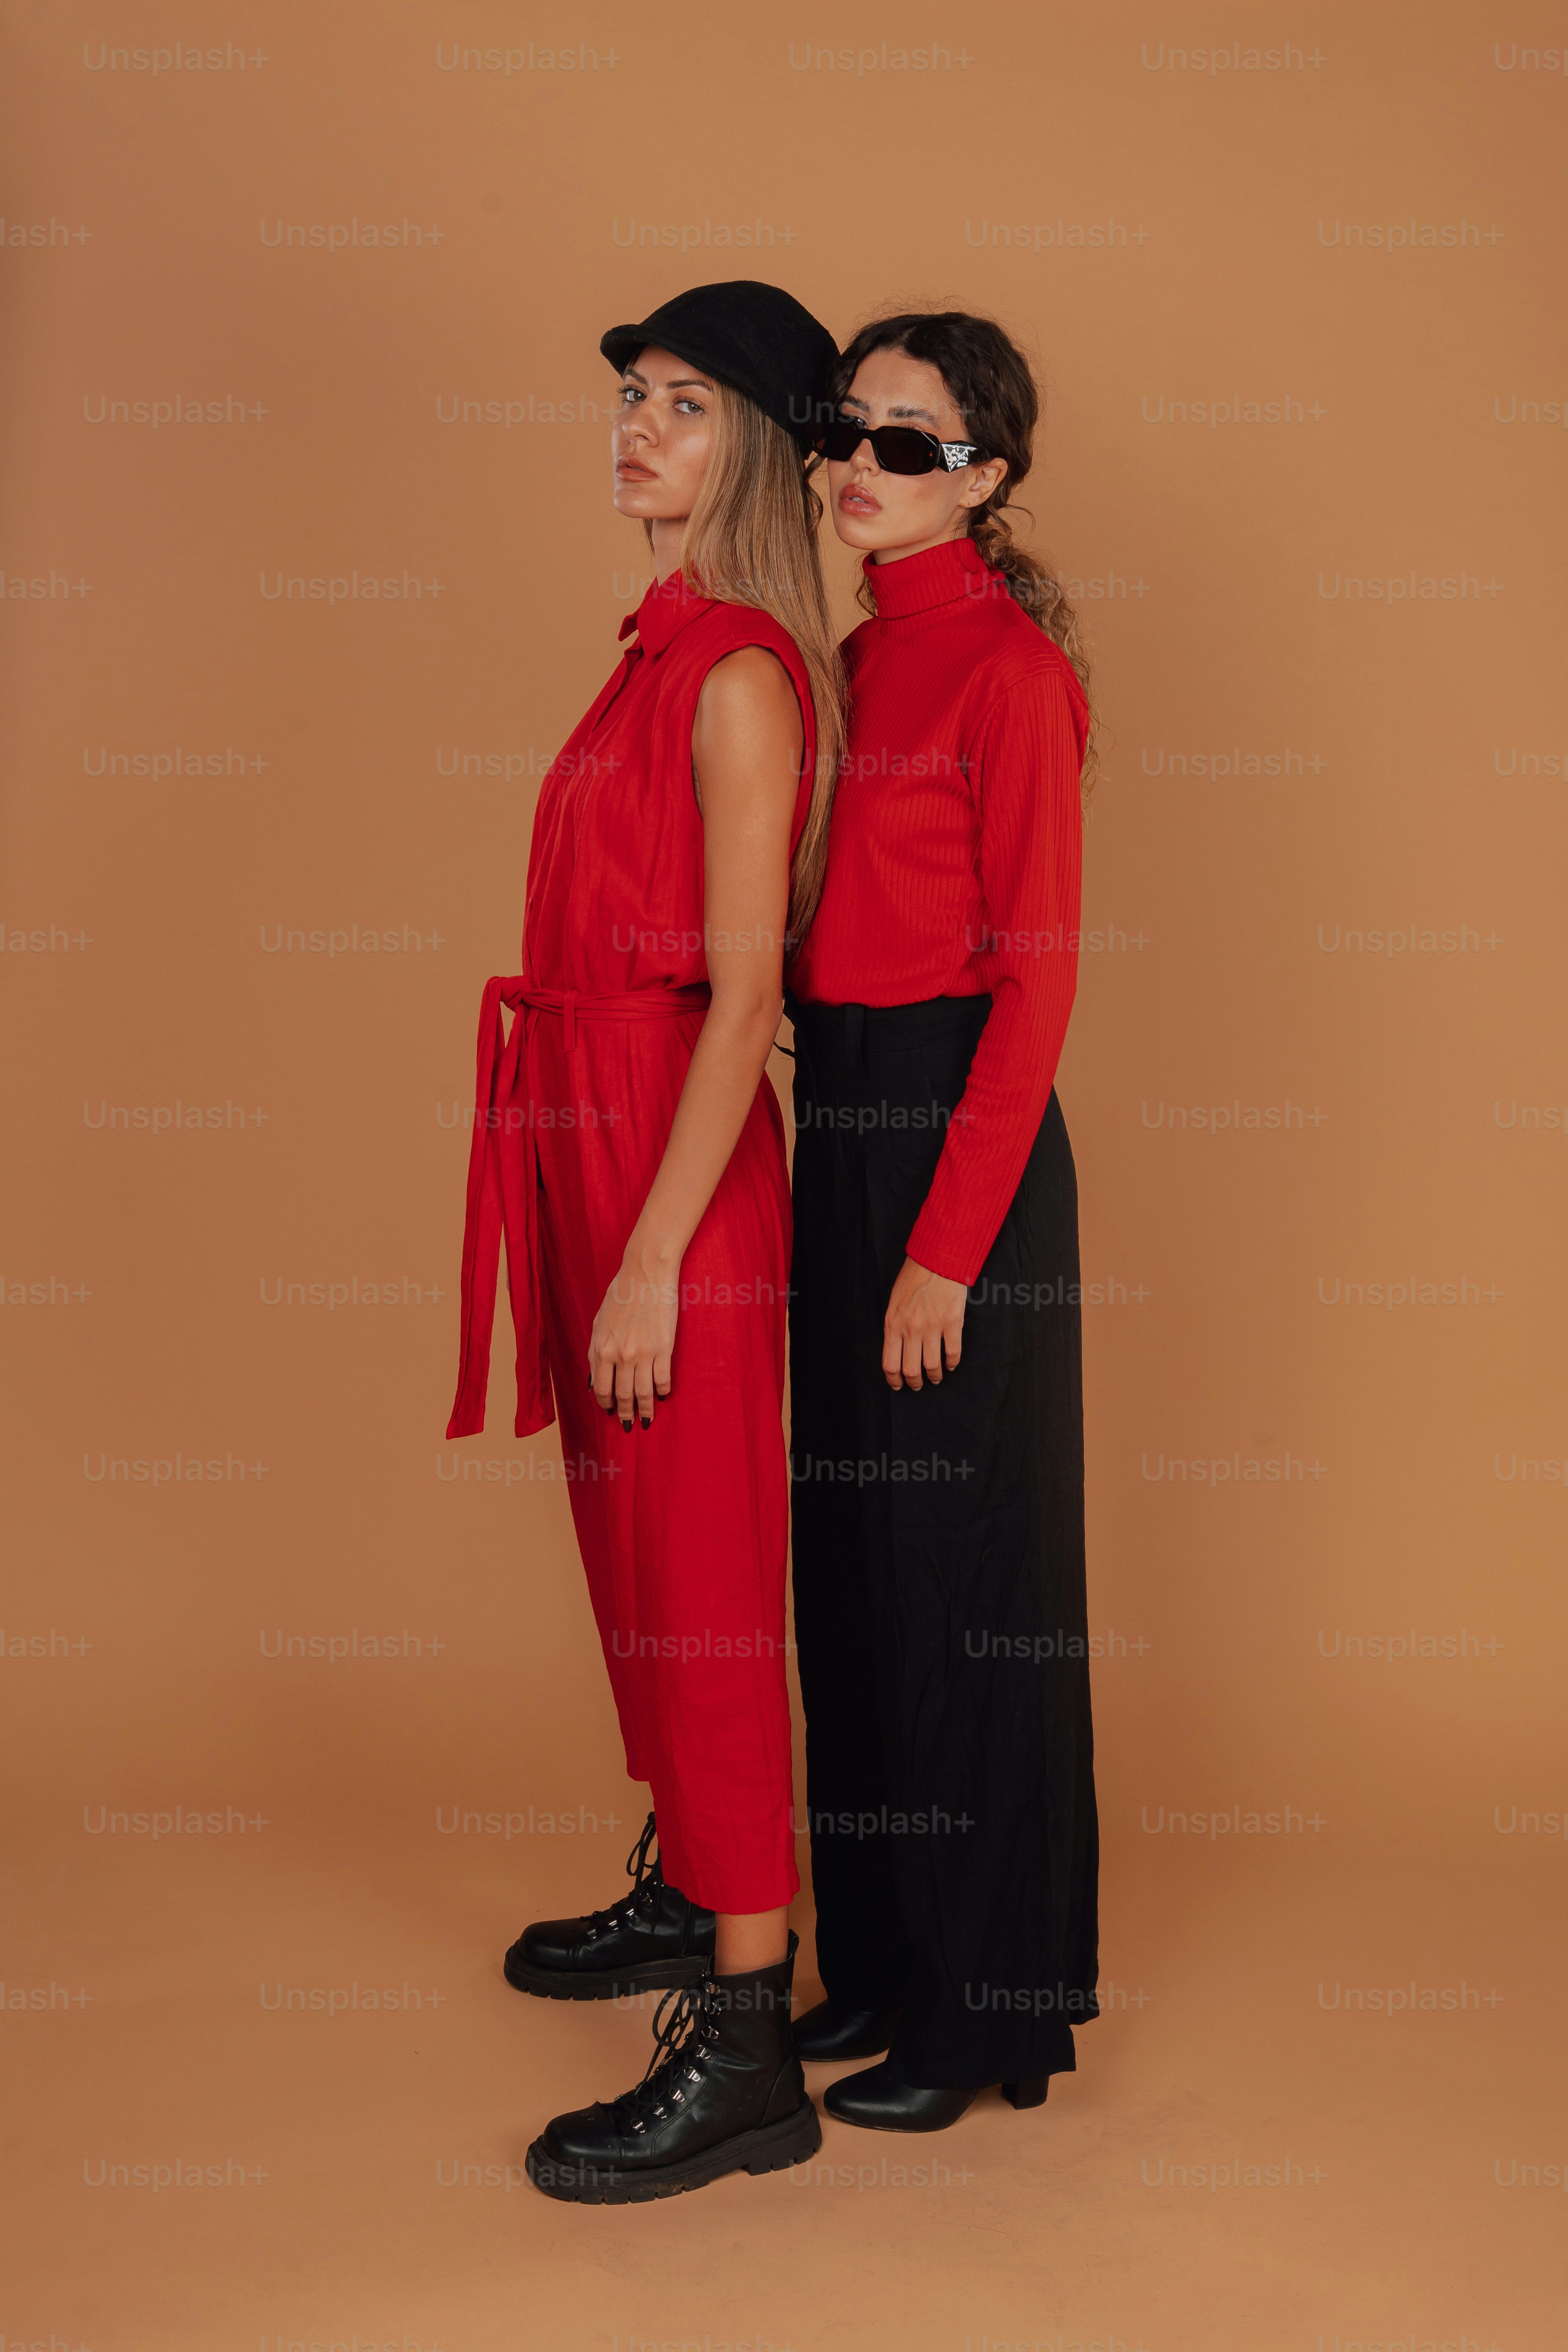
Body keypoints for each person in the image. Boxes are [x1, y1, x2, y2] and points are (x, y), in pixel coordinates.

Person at [444, 281, 844, 2200]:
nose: (637, 426)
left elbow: (747, 985)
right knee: (626, 1549)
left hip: (669, 1148)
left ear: (755, 446)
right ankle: (697, 1889)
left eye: (683, 406)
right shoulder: (648, 647)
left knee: (697, 1578)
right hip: (584, 1124)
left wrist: (649, 1254)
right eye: (628, 397)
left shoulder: (745, 672)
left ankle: (752, 2050)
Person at [785, 310, 1101, 2130]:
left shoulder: (1007, 676)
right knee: (853, 1575)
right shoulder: (849, 653)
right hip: (843, 1115)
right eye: (848, 424)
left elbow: (1034, 987)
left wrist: (943, 1247)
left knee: (967, 1592)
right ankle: (882, 1966)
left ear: (981, 477)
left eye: (909, 442)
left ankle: (987, 2016)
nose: (859, 465)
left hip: (955, 1153)